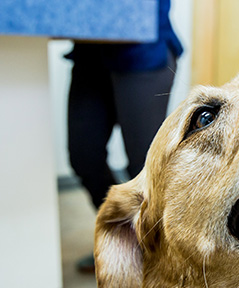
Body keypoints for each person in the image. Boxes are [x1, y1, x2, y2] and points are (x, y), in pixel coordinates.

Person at [66, 0, 183, 272]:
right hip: (90, 51)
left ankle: (161, 258)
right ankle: (126, 240)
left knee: (144, 169)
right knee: (84, 156)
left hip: (142, 49)